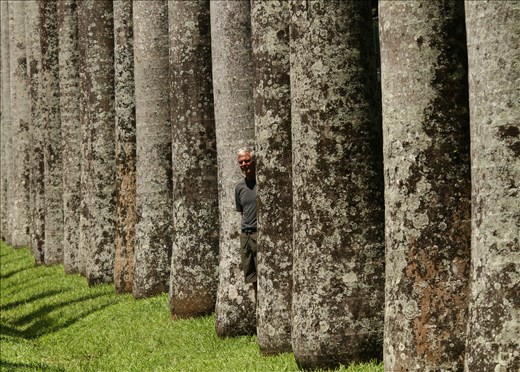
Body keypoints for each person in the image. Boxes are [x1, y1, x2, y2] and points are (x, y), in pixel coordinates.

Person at [235, 146, 258, 296]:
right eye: (241, 162)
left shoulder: (261, 183)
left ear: (254, 161)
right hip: (245, 235)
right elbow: (242, 212)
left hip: (258, 234)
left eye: (247, 161)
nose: (244, 165)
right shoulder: (239, 188)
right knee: (251, 276)